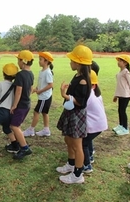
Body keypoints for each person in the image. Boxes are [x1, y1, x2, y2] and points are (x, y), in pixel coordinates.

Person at [56, 45, 92, 184]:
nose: (70, 62)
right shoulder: (78, 76)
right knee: (68, 140)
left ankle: (77, 174)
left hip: (77, 115)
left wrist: (65, 95)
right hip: (71, 113)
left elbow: (81, 102)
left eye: (72, 60)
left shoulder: (83, 80)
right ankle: (71, 164)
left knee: (77, 145)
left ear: (78, 63)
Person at [6, 50, 34, 160]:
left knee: (14, 126)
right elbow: (31, 88)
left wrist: (14, 105)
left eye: (18, 60)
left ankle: (25, 148)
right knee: (17, 125)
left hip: (21, 105)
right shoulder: (30, 74)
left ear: (23, 61)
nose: (17, 62)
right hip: (27, 104)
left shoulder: (20, 74)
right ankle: (17, 143)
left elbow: (18, 91)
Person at [23, 51, 54, 137]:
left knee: (36, 112)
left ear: (46, 61)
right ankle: (46, 130)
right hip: (43, 96)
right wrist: (36, 89)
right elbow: (41, 83)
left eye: (41, 59)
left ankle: (31, 130)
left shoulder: (48, 72)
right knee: (44, 113)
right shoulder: (42, 71)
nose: (39, 61)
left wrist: (40, 91)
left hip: (45, 97)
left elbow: (51, 85)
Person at [82, 70, 108, 173]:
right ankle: (90, 155)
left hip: (94, 124)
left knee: (82, 143)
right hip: (99, 124)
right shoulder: (96, 94)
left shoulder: (88, 95)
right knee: (88, 140)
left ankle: (86, 165)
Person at [112, 54, 130, 135]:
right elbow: (119, 86)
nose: (118, 62)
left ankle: (125, 128)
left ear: (125, 63)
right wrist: (116, 95)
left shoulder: (126, 72)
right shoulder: (120, 72)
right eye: (118, 61)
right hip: (121, 94)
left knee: (122, 111)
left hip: (126, 95)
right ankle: (121, 125)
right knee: (120, 110)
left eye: (120, 61)